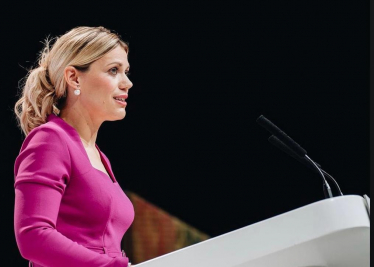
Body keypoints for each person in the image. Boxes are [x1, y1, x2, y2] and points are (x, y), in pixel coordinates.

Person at [13, 26, 135, 267]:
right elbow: (33, 236)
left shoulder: (99, 156)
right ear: (74, 78)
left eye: (126, 72)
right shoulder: (50, 140)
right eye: (114, 70)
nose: (127, 83)